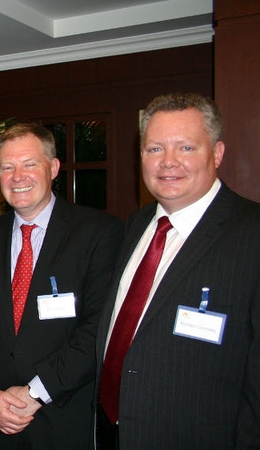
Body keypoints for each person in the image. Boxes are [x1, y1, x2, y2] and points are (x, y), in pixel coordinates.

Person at [95, 93, 260, 449]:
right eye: (154, 149)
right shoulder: (136, 226)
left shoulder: (253, 234)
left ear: (217, 153)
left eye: (185, 148)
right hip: (112, 434)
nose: (168, 163)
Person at [0, 123, 123, 449]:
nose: (18, 176)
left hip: (64, 416)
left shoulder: (99, 233)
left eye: (30, 164)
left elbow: (98, 329)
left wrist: (35, 392)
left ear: (54, 168)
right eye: (7, 167)